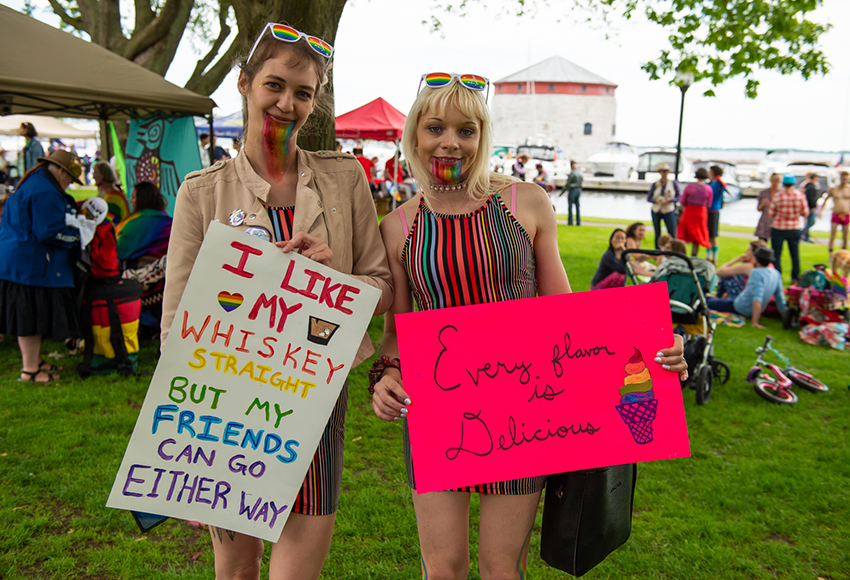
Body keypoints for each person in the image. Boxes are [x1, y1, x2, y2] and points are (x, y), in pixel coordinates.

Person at [369, 73, 687, 580]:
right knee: (443, 567)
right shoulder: (398, 225)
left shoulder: (525, 202)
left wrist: (653, 347)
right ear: (414, 136)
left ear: (482, 137)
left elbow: (569, 319)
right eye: (435, 128)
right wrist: (385, 376)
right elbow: (396, 330)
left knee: (501, 567)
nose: (451, 141)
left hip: (522, 409)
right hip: (437, 409)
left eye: (466, 130)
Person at [161, 22, 392, 580]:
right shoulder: (202, 191)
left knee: (297, 572)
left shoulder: (344, 179)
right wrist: (178, 438)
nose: (287, 103)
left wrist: (337, 276)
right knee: (236, 568)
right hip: (225, 398)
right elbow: (177, 318)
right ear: (244, 84)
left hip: (316, 389)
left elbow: (382, 286)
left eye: (304, 93)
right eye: (275, 85)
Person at [0, 150, 85, 383]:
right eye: (70, 179)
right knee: (28, 318)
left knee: (34, 315)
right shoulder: (45, 191)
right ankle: (29, 370)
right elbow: (48, 231)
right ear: (60, 171)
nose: (69, 185)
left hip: (23, 262)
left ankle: (35, 362)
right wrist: (79, 235)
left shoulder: (37, 181)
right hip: (27, 265)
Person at [707, 246, 786, 329]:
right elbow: (779, 297)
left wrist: (755, 322)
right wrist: (785, 317)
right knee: (717, 301)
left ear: (756, 259)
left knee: (709, 302)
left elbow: (757, 298)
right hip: (750, 306)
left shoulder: (756, 273)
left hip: (742, 307)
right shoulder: (775, 273)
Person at [115, 181, 173, 269]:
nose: (130, 201)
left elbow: (119, 250)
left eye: (133, 197)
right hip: (164, 270)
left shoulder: (134, 223)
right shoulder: (168, 221)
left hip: (137, 273)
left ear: (142, 199)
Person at [769, 173, 809, 282]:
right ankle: (795, 277)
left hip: (778, 227)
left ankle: (777, 276)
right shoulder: (800, 196)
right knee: (794, 254)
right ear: (793, 183)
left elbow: (771, 213)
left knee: (776, 254)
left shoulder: (778, 196)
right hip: (794, 227)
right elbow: (805, 212)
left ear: (783, 184)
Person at [677, 167, 712, 257]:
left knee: (683, 234)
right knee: (697, 238)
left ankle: (681, 255)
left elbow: (682, 201)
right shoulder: (708, 189)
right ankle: (693, 257)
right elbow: (709, 204)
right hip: (701, 213)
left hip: (689, 211)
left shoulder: (689, 187)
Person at [646, 162, 680, 246]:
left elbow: (679, 196)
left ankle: (672, 250)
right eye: (663, 171)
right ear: (659, 172)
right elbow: (649, 198)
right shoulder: (656, 184)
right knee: (657, 232)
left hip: (668, 209)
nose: (665, 173)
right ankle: (657, 251)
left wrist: (670, 199)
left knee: (671, 232)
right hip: (656, 209)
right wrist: (656, 200)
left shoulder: (673, 183)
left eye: (666, 171)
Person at [819, 169, 850, 254]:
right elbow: (825, 199)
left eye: (846, 179)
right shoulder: (833, 189)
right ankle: (831, 253)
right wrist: (820, 211)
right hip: (836, 214)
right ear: (840, 178)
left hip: (846, 214)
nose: (844, 180)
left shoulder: (848, 189)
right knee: (833, 235)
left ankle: (844, 253)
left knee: (845, 236)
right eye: (843, 178)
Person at [707, 165, 728, 263]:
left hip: (713, 211)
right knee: (708, 236)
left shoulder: (719, 184)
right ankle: (708, 257)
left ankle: (714, 259)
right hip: (708, 211)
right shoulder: (712, 183)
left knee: (713, 236)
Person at [755, 173, 780, 241]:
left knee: (776, 245)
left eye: (778, 181)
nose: (776, 183)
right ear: (771, 180)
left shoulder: (781, 193)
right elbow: (758, 209)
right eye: (775, 181)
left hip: (777, 222)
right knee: (762, 243)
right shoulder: (763, 193)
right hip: (765, 221)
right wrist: (763, 204)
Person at [801, 173, 820, 242]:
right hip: (810, 207)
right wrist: (812, 206)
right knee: (811, 221)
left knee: (810, 222)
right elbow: (811, 198)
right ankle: (802, 233)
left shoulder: (809, 185)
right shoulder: (811, 186)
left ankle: (806, 236)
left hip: (808, 206)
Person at [564, 159, 583, 226]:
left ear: (571, 166)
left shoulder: (572, 173)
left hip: (572, 191)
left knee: (570, 207)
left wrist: (562, 192)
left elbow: (568, 184)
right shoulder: (580, 172)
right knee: (577, 207)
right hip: (579, 190)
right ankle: (578, 222)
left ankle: (570, 222)